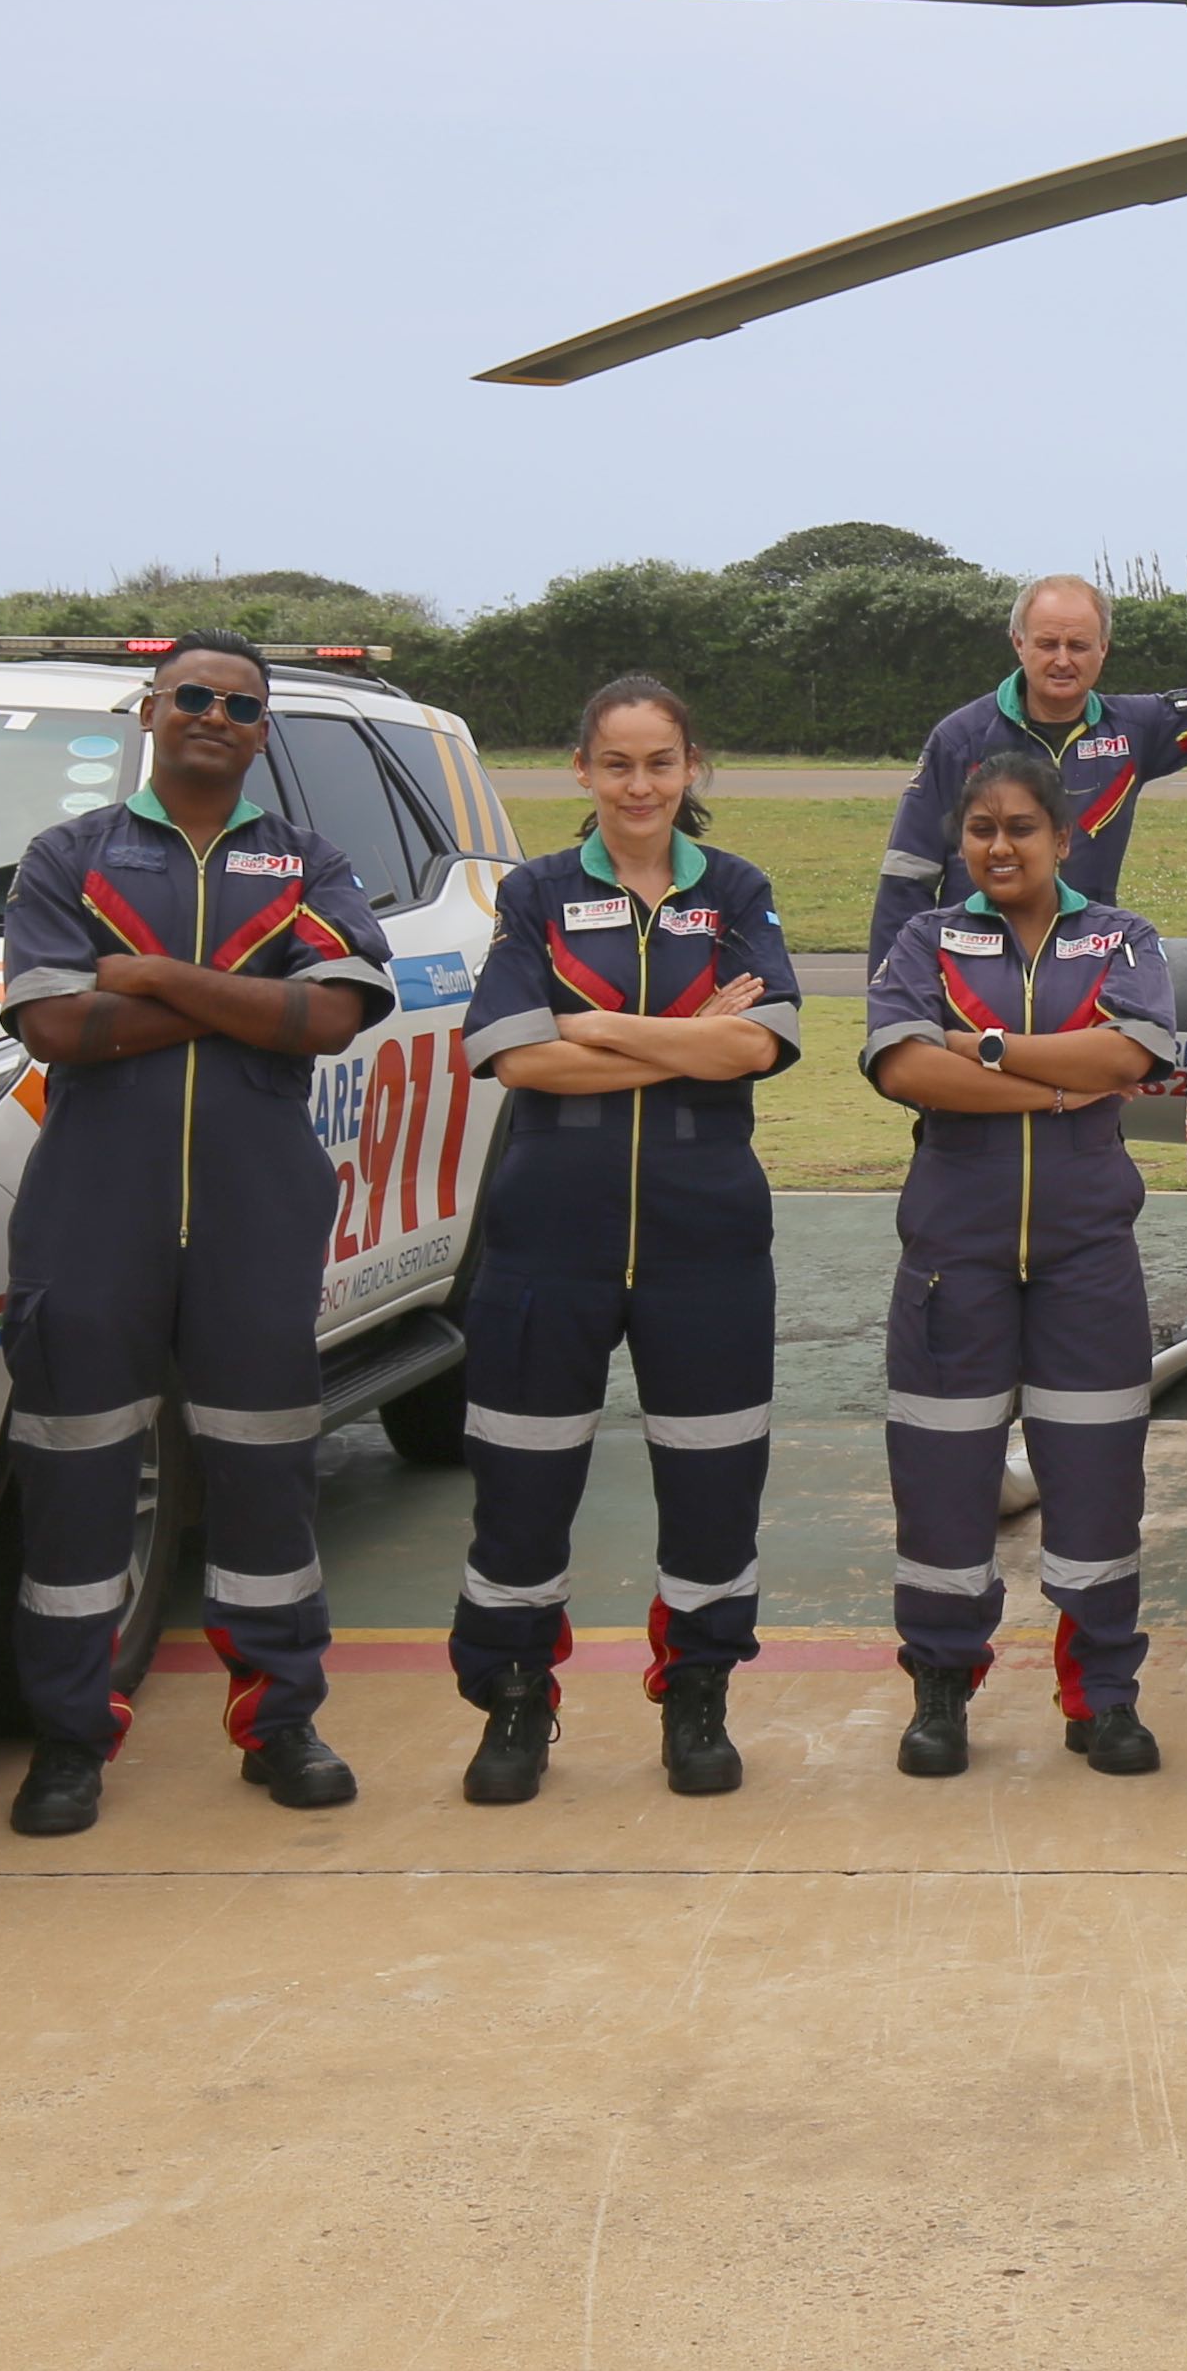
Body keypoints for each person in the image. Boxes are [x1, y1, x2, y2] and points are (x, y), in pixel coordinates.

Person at [0, 636, 396, 1833]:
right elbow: (59, 1029)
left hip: (255, 1206)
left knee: (267, 1475)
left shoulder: (309, 859)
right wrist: (250, 1000)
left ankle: (281, 1724)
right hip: (91, 1207)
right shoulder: (69, 855)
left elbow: (330, 1020)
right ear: (150, 710)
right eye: (194, 697)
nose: (215, 715)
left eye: (240, 704)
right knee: (75, 1479)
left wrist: (156, 977)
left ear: (264, 730)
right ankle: (68, 1741)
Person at [445, 673, 805, 1806]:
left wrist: (595, 1023)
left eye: (660, 763)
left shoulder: (736, 890)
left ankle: (697, 1691)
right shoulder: (537, 893)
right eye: (617, 764)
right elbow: (517, 1056)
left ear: (691, 767)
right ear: (582, 771)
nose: (640, 786)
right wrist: (683, 1036)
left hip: (709, 1234)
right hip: (549, 1230)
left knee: (714, 1480)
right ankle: (513, 1697)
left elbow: (757, 1047)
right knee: (520, 1479)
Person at [864, 748, 1187, 1779]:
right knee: (942, 1481)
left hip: (1086, 1257)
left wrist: (986, 1047)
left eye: (1020, 828)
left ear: (1063, 836)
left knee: (1098, 1481)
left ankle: (1104, 1696)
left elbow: (1129, 1056)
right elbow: (906, 1067)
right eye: (981, 830)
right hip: (952, 1255)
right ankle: (941, 1689)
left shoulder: (1121, 937)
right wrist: (1056, 1088)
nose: (999, 847)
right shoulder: (925, 938)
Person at [869, 566, 1187, 959]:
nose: (1062, 660)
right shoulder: (960, 739)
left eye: (1077, 646)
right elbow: (908, 873)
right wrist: (894, 1001)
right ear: (1018, 644)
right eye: (1047, 644)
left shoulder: (1136, 728)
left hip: (1082, 966)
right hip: (974, 965)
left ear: (1103, 649)